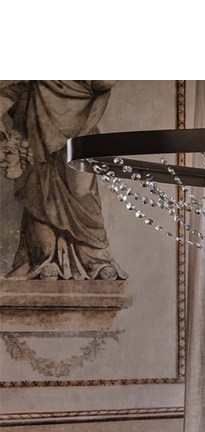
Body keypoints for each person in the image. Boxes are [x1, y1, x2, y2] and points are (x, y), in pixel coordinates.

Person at [1, 80, 126, 281]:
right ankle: (44, 258)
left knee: (81, 192)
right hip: (38, 130)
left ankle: (95, 258)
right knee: (40, 194)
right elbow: (12, 87)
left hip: (81, 129)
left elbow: (104, 82)